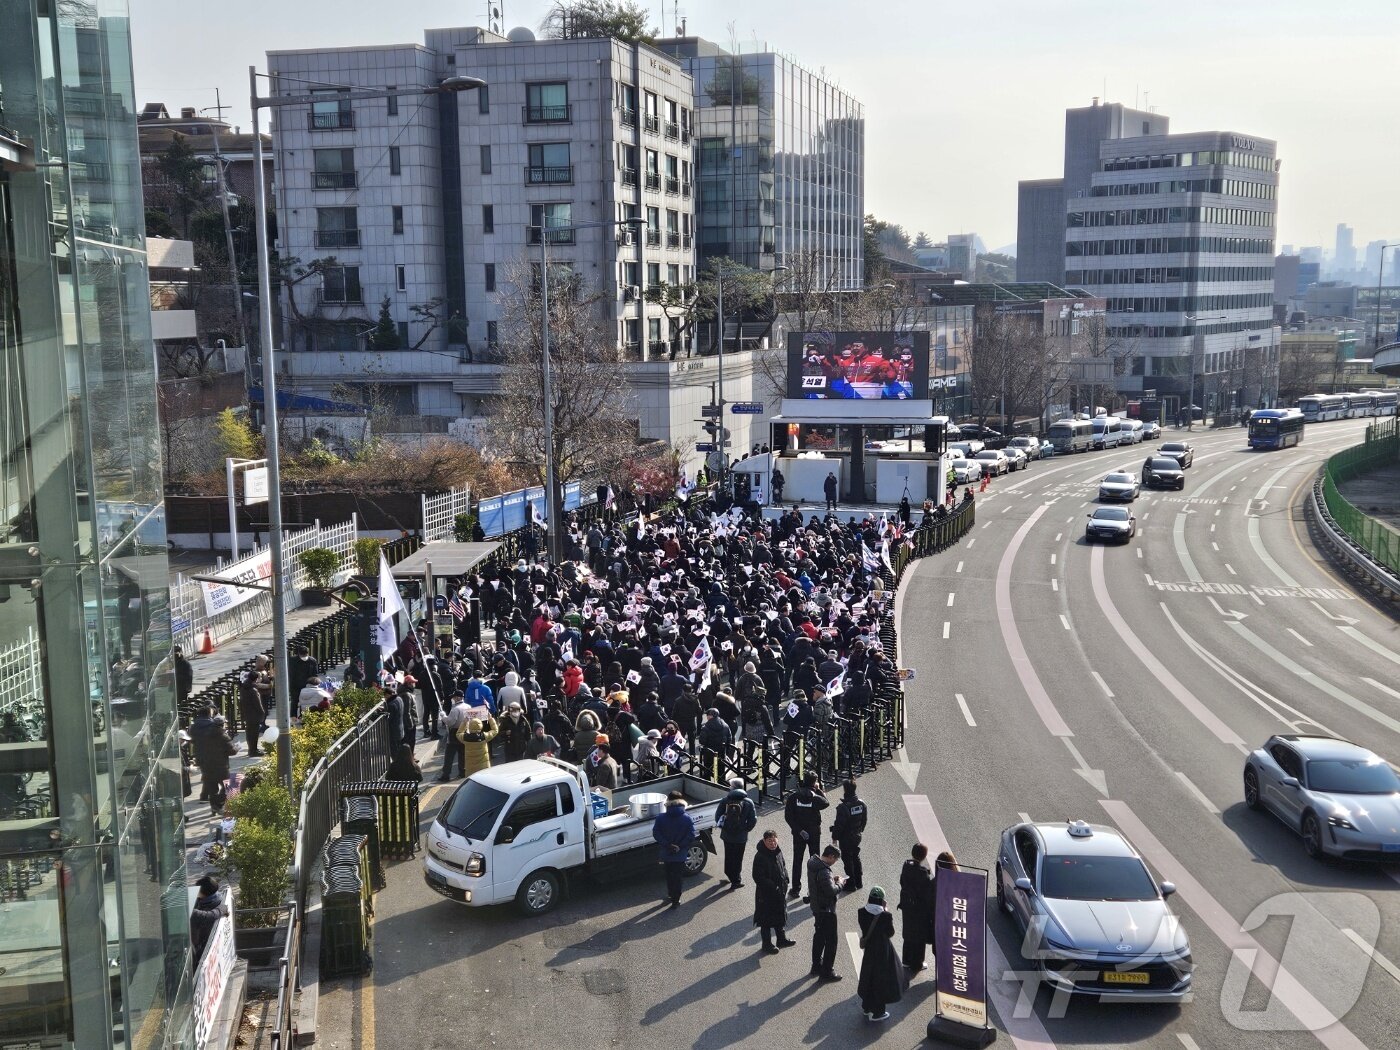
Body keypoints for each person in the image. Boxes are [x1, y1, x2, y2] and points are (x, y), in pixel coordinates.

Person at [856, 887, 902, 1022]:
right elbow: (890, 933)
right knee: (880, 981)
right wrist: (886, 911)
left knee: (868, 977)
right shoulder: (885, 916)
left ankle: (866, 1007)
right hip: (882, 952)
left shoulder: (861, 912)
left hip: (869, 950)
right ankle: (878, 1012)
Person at [785, 772, 829, 899]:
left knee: (797, 860)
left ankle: (795, 889)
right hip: (814, 833)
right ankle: (813, 889)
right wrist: (819, 789)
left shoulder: (794, 797)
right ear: (814, 782)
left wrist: (799, 830)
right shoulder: (815, 797)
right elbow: (826, 803)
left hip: (799, 834)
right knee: (815, 862)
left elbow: (788, 817)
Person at [752, 829, 797, 954]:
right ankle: (766, 945)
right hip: (766, 896)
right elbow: (758, 877)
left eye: (774, 840)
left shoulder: (778, 851)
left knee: (780, 917)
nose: (772, 843)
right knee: (765, 921)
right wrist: (774, 887)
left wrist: (786, 880)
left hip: (779, 893)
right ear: (764, 841)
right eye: (769, 841)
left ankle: (781, 940)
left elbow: (783, 866)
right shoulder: (760, 856)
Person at [651, 790, 697, 909]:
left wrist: (667, 845)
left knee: (669, 875)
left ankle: (671, 894)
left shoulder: (661, 817)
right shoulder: (687, 818)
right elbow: (691, 835)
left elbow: (656, 833)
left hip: (666, 853)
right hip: (680, 854)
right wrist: (680, 846)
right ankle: (676, 899)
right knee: (678, 877)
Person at [188, 707, 236, 817]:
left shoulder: (201, 731)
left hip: (205, 762)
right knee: (228, 786)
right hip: (221, 765)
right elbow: (232, 751)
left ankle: (213, 807)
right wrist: (236, 748)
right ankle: (218, 804)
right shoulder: (223, 736)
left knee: (212, 786)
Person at [807, 844, 844, 980]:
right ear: (831, 856)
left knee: (819, 937)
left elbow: (821, 885)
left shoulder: (813, 863)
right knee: (831, 941)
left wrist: (831, 881)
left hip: (817, 907)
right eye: (835, 860)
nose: (834, 863)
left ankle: (816, 965)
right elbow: (830, 891)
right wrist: (839, 883)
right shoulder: (824, 871)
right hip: (826, 910)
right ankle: (827, 972)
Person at [897, 843, 935, 971]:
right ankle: (918, 963)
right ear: (924, 856)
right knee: (919, 935)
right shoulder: (922, 873)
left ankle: (906, 960)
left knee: (907, 932)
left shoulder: (906, 866)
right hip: (919, 908)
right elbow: (926, 892)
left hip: (907, 905)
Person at [718, 776, 757, 890]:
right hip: (741, 837)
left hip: (727, 835)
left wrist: (724, 828)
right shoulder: (748, 802)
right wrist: (746, 829)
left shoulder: (725, 800)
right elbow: (753, 819)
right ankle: (736, 880)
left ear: (733, 787)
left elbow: (718, 816)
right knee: (738, 858)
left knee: (729, 855)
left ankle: (729, 874)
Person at [831, 778, 868, 891]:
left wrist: (835, 837)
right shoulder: (862, 804)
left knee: (847, 860)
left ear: (845, 790)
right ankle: (859, 881)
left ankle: (851, 884)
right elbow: (864, 820)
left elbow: (839, 825)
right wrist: (859, 830)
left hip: (846, 838)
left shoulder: (843, 807)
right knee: (856, 857)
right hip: (857, 835)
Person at [189, 876, 228, 965]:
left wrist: (221, 910)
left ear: (204, 893)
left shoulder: (196, 910)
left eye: (197, 890)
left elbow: (209, 916)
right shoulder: (217, 897)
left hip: (200, 942)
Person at [440, 691, 470, 781]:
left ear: (457, 698)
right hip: (465, 731)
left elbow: (450, 722)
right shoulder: (468, 707)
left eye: (453, 697)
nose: (452, 699)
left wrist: (443, 716)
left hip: (455, 732)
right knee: (462, 754)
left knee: (449, 755)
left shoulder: (455, 709)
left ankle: (446, 775)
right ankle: (462, 772)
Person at [236, 669, 267, 756]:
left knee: (249, 732)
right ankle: (253, 750)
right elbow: (258, 704)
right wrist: (262, 713)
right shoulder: (253, 690)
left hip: (247, 714)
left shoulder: (243, 687)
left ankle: (251, 749)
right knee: (254, 733)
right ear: (256, 679)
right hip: (254, 715)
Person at [174, 645, 194, 709]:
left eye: (176, 653)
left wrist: (175, 676)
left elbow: (188, 676)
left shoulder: (185, 664)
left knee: (182, 705)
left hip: (182, 689)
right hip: (175, 689)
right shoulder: (174, 663)